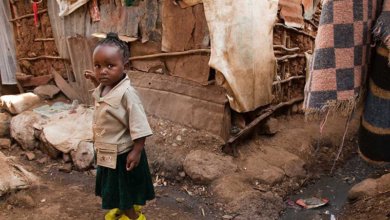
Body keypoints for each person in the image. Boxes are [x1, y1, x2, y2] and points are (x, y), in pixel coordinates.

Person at [85, 32, 155, 220]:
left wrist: (137, 150)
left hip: (123, 154)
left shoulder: (127, 94)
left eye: (110, 66)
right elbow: (103, 99)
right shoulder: (105, 87)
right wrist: (95, 81)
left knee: (124, 189)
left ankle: (133, 217)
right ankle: (122, 208)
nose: (103, 71)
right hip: (108, 152)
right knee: (116, 189)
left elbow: (139, 124)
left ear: (125, 66)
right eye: (98, 66)